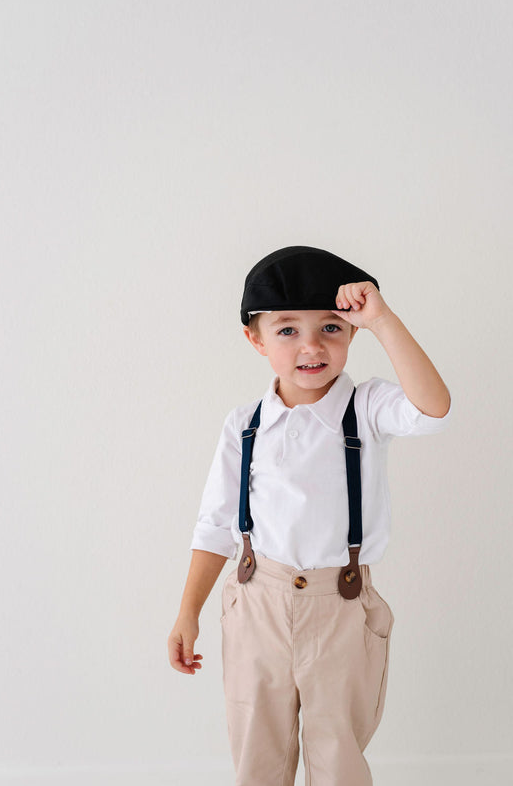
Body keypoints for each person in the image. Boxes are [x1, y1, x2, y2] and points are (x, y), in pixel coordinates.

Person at [167, 245, 452, 785]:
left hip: (340, 607)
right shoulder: (244, 424)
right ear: (255, 339)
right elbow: (214, 525)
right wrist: (189, 612)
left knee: (338, 756)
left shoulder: (365, 408)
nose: (311, 346)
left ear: (351, 334)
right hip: (256, 605)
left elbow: (433, 409)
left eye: (331, 328)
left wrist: (382, 321)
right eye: (287, 330)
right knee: (258, 755)